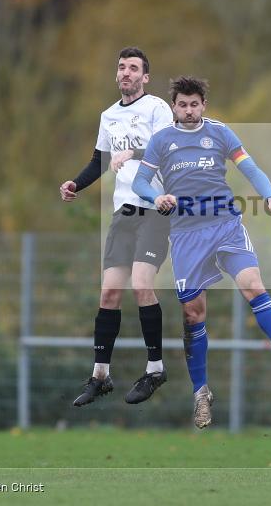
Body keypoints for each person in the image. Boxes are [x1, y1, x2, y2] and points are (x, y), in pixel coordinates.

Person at [132, 76, 271, 428]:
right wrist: (157, 197)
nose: (188, 110)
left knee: (252, 284)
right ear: (173, 106)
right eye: (182, 104)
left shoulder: (221, 133)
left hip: (225, 225)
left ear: (203, 105)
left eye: (194, 104)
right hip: (185, 235)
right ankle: (201, 393)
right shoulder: (162, 140)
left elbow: (250, 167)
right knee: (194, 314)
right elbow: (140, 181)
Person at [59, 46, 173, 408]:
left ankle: (155, 368)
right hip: (123, 214)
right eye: (121, 67)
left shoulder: (157, 108)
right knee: (108, 293)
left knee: (141, 284)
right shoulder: (108, 115)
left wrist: (134, 154)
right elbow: (98, 161)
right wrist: (76, 183)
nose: (126, 73)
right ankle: (100, 376)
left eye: (133, 68)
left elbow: (168, 148)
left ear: (145, 77)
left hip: (154, 210)